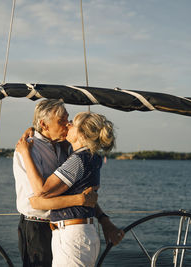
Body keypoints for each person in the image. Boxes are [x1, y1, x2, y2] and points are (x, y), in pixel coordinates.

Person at [16, 109, 123, 267]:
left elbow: (42, 190)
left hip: (73, 238)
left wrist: (25, 152)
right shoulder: (92, 157)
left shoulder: (77, 160)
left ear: (82, 134)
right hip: (79, 234)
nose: (68, 125)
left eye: (72, 123)